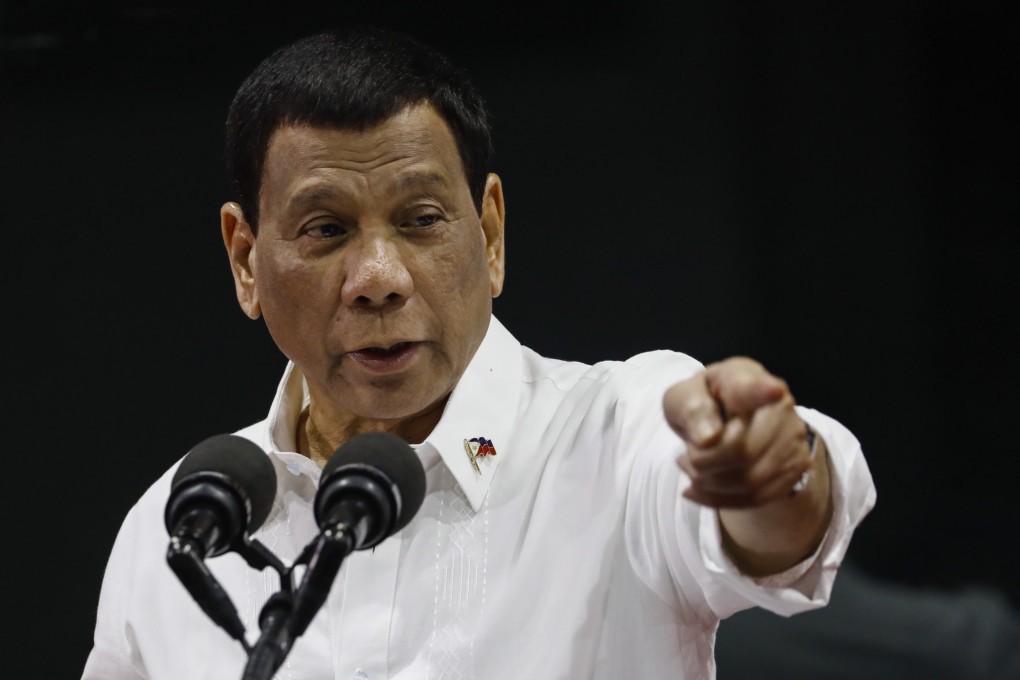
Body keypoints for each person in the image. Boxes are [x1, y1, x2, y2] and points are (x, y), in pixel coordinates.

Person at [82, 25, 875, 679]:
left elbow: (776, 527)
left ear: (489, 233)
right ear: (245, 260)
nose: (379, 280)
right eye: (326, 230)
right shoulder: (177, 534)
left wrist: (772, 470)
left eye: (422, 220)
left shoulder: (611, 434)